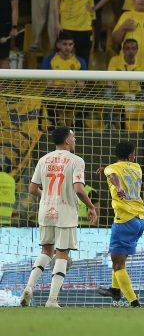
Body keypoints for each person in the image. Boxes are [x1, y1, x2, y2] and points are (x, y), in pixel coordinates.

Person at [20, 127, 97, 307]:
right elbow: (78, 189)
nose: (75, 140)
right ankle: (52, 300)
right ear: (67, 141)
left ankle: (29, 287)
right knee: (62, 253)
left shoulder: (44, 159)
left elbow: (32, 188)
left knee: (46, 251)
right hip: (65, 212)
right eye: (74, 138)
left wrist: (47, 197)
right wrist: (91, 207)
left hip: (45, 211)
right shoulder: (77, 161)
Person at [96, 141, 144, 308]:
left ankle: (134, 302)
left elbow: (114, 176)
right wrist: (106, 170)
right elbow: (115, 172)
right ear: (131, 156)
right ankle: (115, 290)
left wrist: (117, 187)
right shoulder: (137, 168)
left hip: (124, 219)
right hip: (139, 219)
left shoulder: (113, 168)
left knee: (117, 263)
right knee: (119, 257)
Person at [103, 38, 144, 130]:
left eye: (133, 49)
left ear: (137, 50)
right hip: (120, 93)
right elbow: (109, 80)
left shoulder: (142, 62)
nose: (131, 51)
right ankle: (109, 124)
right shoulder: (114, 60)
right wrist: (110, 85)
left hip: (136, 95)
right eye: (128, 49)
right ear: (123, 50)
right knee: (108, 92)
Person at [0, 0, 20, 70]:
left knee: (3, 57)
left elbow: (15, 8)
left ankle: (3, 87)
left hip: (5, 25)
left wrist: (14, 27)